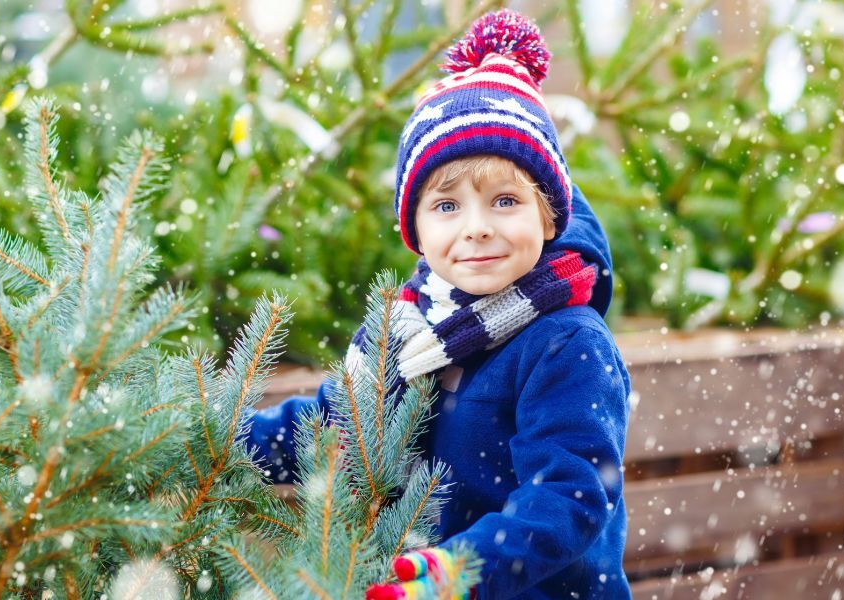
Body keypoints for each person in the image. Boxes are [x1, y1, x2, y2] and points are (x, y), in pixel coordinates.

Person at [244, 9, 631, 599]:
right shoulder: (409, 325)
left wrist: (454, 572)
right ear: (416, 230)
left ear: (548, 215)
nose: (476, 228)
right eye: (447, 206)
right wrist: (225, 440)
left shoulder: (566, 342)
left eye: (505, 200)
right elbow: (336, 425)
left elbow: (568, 498)